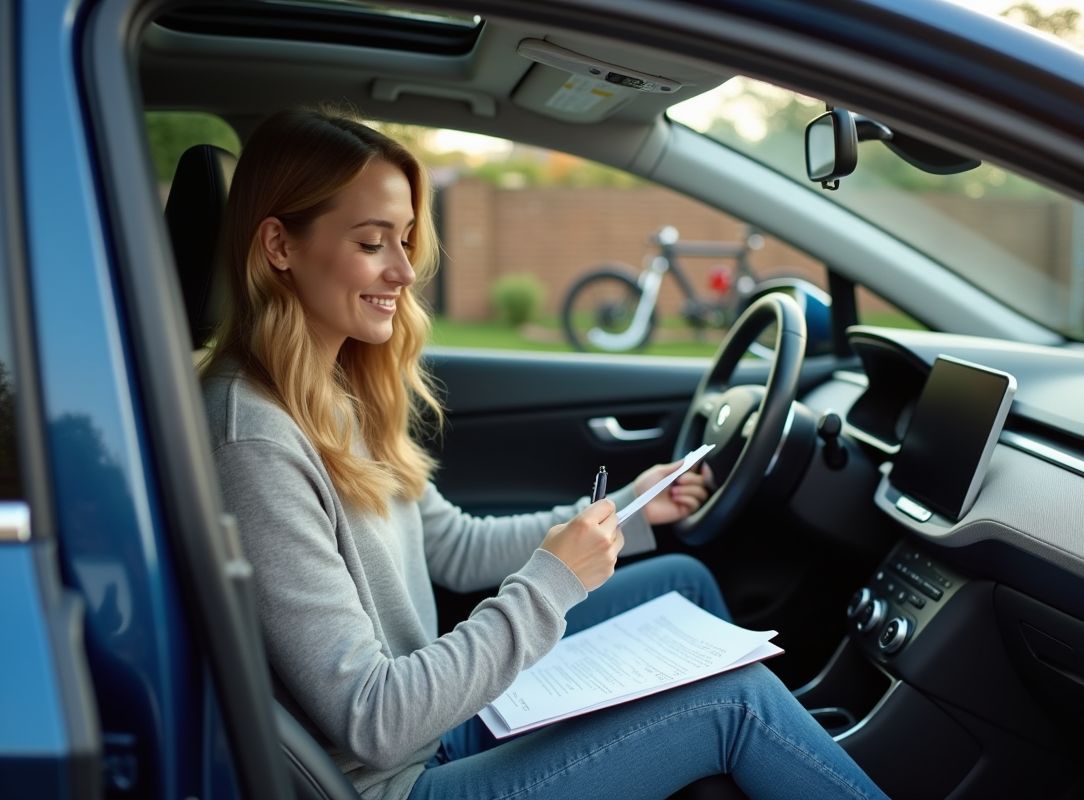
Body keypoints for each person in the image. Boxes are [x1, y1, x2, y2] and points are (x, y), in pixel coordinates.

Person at [200, 106, 887, 800]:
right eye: (374, 242)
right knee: (734, 699)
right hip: (396, 780)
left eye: (406, 239)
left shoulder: (336, 387)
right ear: (280, 246)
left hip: (435, 726)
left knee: (679, 579)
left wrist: (631, 509)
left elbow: (454, 546)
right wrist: (554, 580)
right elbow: (372, 720)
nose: (406, 271)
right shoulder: (253, 441)